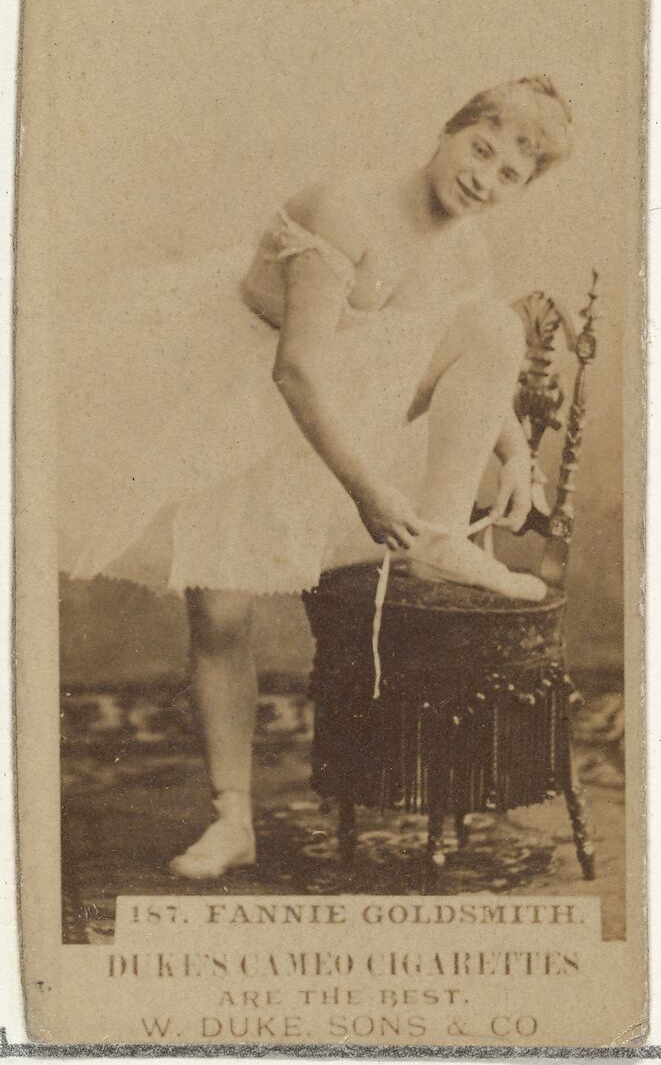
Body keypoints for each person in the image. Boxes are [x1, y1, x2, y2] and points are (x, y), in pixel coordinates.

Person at [72, 74, 573, 880]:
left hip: (353, 390)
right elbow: (295, 370)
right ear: (447, 132)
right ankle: (232, 819)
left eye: (508, 174)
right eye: (479, 149)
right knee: (221, 613)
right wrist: (368, 492)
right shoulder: (348, 208)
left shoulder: (463, 243)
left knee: (492, 321)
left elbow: (464, 342)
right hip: (251, 386)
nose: (483, 178)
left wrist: (514, 453)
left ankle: (439, 539)